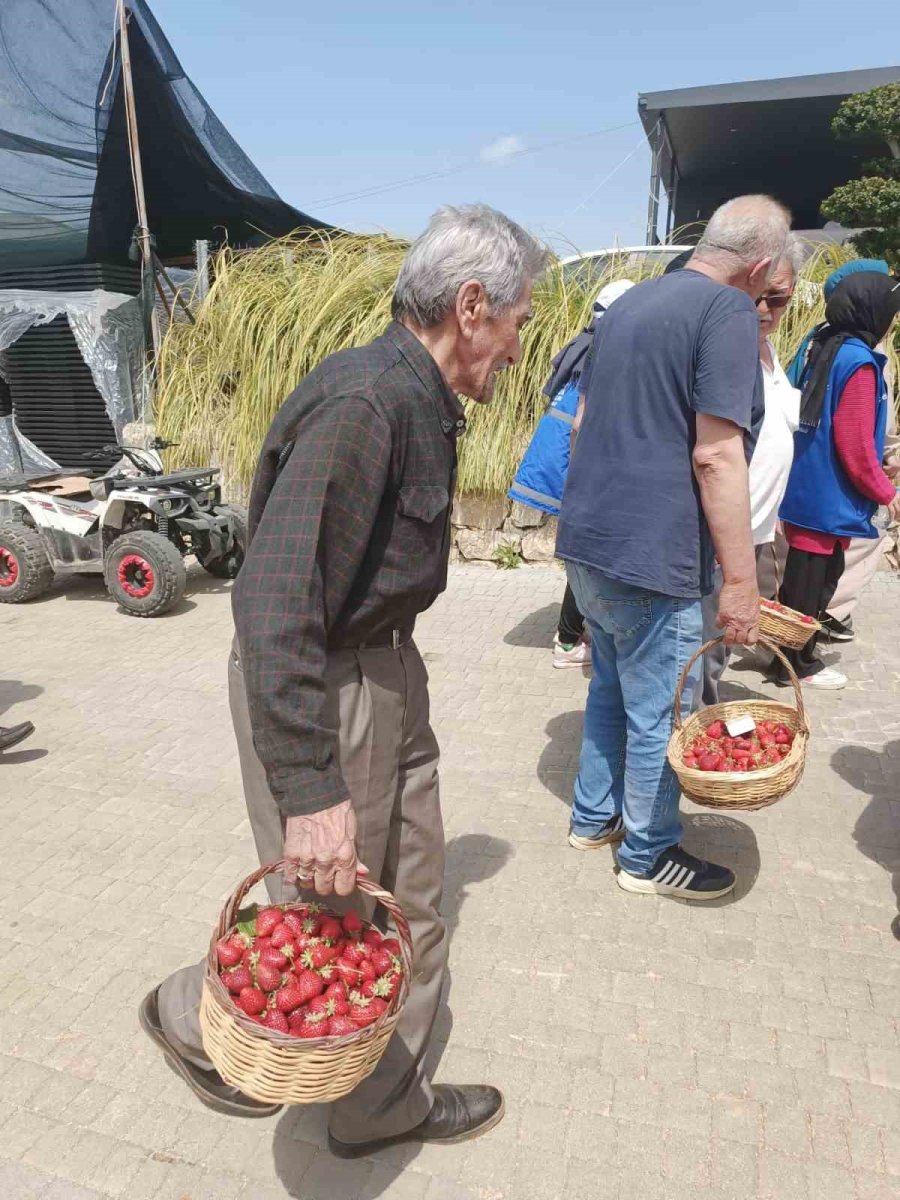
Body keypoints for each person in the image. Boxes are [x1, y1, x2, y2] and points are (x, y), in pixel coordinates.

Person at [140, 205, 549, 1155]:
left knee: (414, 904)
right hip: (326, 688)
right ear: (473, 306)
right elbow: (274, 602)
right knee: (329, 914)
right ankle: (189, 1013)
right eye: (520, 323)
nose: (520, 348)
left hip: (386, 672)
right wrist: (312, 790)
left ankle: (379, 1106)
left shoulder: (420, 400)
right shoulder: (364, 404)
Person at [556, 194, 791, 902]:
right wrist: (743, 587)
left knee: (611, 688)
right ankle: (648, 855)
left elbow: (583, 424)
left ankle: (593, 818)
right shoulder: (724, 312)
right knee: (662, 707)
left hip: (589, 543)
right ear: (758, 265)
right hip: (655, 557)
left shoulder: (633, 303)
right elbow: (718, 457)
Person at [773, 271, 900, 689]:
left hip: (807, 488)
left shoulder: (824, 345)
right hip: (828, 497)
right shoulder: (859, 363)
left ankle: (785, 656)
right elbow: (855, 445)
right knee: (812, 586)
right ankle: (795, 665)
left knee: (802, 581)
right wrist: (886, 492)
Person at [698, 234, 806, 705]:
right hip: (716, 538)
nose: (765, 308)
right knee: (698, 648)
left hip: (754, 530)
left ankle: (701, 714)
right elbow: (712, 455)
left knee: (719, 646)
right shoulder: (723, 346)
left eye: (778, 298)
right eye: (758, 295)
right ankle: (687, 745)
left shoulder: (770, 351)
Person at [508, 280, 634, 668]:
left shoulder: (584, 346)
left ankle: (578, 631)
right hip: (573, 468)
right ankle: (567, 640)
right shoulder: (606, 355)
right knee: (586, 558)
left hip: (563, 464)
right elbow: (583, 425)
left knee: (585, 557)